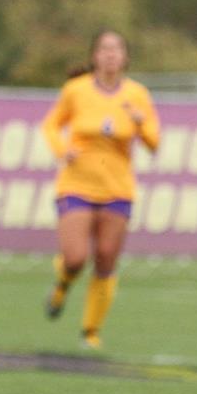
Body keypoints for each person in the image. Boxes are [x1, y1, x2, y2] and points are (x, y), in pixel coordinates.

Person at [40, 30, 160, 350]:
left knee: (106, 259)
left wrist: (139, 122)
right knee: (76, 257)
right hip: (77, 183)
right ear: (94, 56)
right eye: (104, 49)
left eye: (116, 49)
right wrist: (61, 150)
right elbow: (51, 124)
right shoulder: (76, 90)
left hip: (117, 188)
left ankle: (90, 332)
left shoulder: (137, 95)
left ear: (125, 57)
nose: (110, 55)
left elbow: (154, 142)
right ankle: (62, 286)